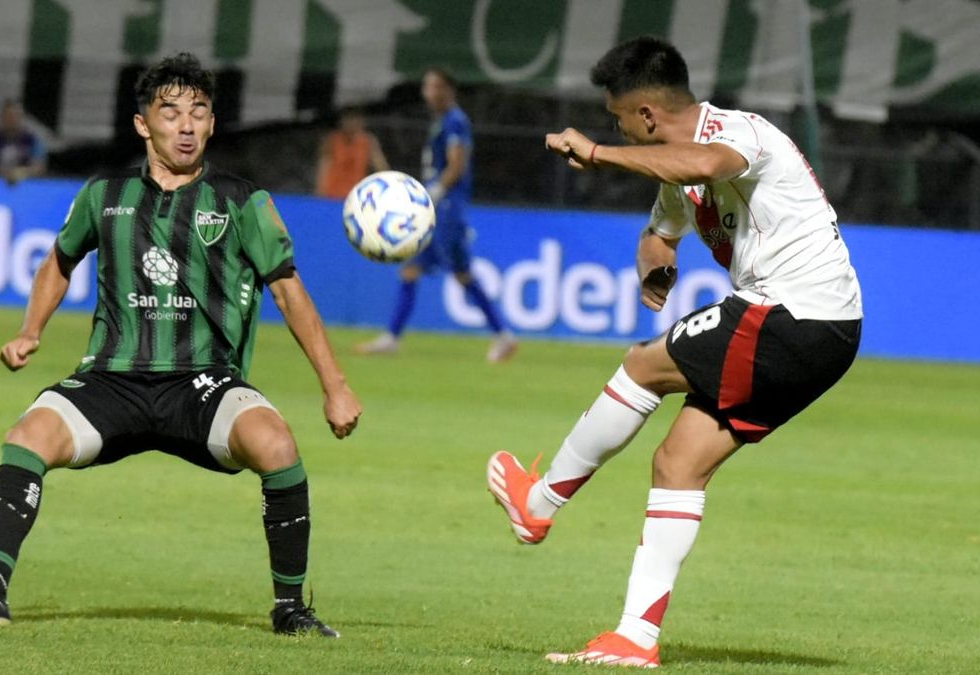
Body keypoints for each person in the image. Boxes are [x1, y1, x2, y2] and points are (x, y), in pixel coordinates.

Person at [0, 53, 362, 638]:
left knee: (277, 445)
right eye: (171, 112)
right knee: (26, 437)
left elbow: (289, 293)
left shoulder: (243, 202)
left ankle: (290, 609)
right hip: (112, 377)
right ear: (144, 124)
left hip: (203, 382)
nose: (186, 126)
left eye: (199, 113)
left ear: (212, 124)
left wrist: (334, 387)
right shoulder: (103, 194)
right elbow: (60, 261)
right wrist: (31, 331)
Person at [486, 36, 862, 668]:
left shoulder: (743, 133)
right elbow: (660, 234)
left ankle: (539, 504)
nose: (618, 130)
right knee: (678, 463)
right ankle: (634, 638)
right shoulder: (674, 168)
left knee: (641, 365)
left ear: (646, 116)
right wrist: (656, 268)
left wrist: (600, 153)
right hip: (815, 329)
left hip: (794, 312)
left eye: (618, 119)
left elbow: (708, 165)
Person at [355, 67, 517, 363]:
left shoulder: (455, 121)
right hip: (443, 209)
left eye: (435, 87)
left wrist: (436, 192)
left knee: (436, 272)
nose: (429, 92)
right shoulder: (443, 121)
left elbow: (457, 164)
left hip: (445, 210)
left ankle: (393, 337)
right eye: (427, 86)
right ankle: (501, 336)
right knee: (438, 271)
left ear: (448, 90)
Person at [315, 106, 390, 199]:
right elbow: (323, 169)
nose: (351, 123)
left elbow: (382, 168)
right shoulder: (332, 140)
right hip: (331, 196)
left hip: (356, 197)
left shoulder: (368, 142)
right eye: (348, 119)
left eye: (354, 118)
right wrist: (319, 195)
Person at [0, 99, 47, 184]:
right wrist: (3, 173)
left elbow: (39, 168)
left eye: (15, 116)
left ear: (21, 117)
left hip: (25, 186)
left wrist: (21, 173)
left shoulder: (32, 141)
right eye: (8, 116)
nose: (11, 120)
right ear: (1, 117)